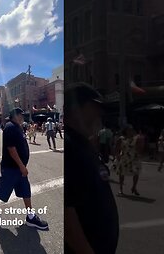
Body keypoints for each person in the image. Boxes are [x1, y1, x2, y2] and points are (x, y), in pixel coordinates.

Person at [64, 83, 118, 254]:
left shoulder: (83, 144)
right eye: (94, 107)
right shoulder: (69, 145)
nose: (100, 113)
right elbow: (67, 214)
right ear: (75, 109)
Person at [0, 108, 49, 230]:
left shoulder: (17, 127)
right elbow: (11, 149)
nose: (22, 117)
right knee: (2, 190)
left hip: (19, 168)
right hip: (11, 167)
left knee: (25, 190)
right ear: (15, 115)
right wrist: (21, 166)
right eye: (21, 115)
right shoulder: (10, 127)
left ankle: (30, 216)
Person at [115, 125, 143, 196]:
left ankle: (134, 187)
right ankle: (120, 189)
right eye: (129, 130)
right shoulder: (121, 139)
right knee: (122, 173)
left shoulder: (136, 138)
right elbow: (117, 148)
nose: (131, 131)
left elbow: (139, 148)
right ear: (125, 131)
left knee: (136, 173)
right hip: (124, 157)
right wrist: (117, 156)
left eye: (132, 130)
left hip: (134, 158)